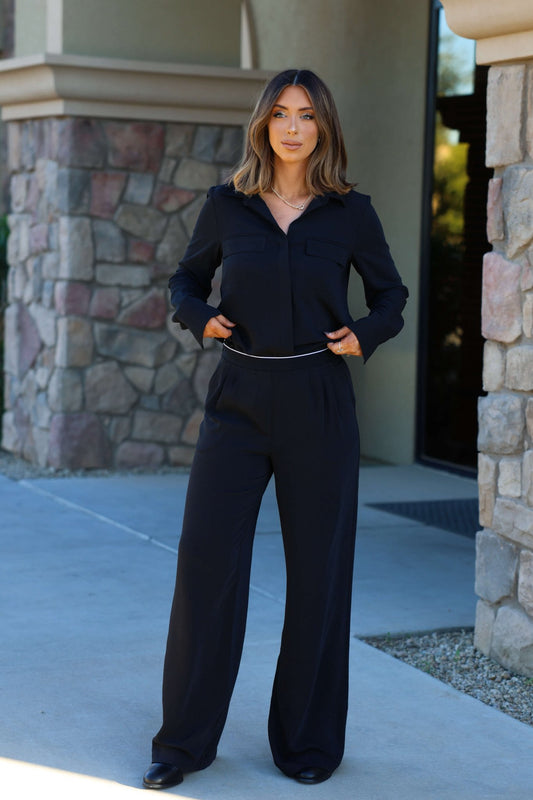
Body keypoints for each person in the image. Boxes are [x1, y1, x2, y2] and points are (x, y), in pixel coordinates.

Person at [143, 68, 408, 790]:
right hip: (238, 397)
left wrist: (365, 334)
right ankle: (183, 745)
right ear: (263, 124)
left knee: (317, 579)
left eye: (307, 115)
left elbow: (390, 295)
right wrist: (200, 319)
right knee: (205, 569)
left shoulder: (350, 213)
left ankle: (307, 745)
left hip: (318, 400)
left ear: (323, 128)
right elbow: (185, 282)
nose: (293, 127)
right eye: (281, 114)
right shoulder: (228, 206)